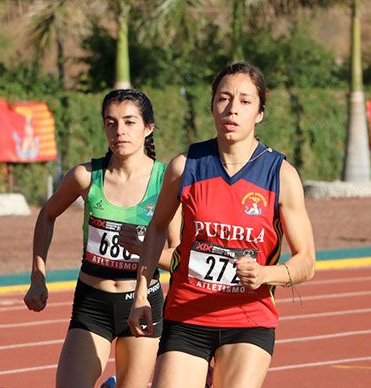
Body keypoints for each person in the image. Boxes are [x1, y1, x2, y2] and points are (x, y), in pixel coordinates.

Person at [127, 61, 316, 388]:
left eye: (245, 101)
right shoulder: (185, 167)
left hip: (248, 319)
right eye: (223, 99)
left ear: (259, 113)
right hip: (187, 317)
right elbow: (157, 229)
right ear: (212, 106)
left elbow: (306, 262)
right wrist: (141, 294)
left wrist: (265, 274)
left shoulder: (281, 175)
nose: (232, 109)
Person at [23, 89, 181, 388]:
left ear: (148, 128)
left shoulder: (166, 182)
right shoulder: (86, 176)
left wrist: (143, 248)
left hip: (142, 301)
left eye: (129, 122)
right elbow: (47, 215)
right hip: (92, 302)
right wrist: (38, 274)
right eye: (111, 123)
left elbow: (178, 257)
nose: (119, 131)